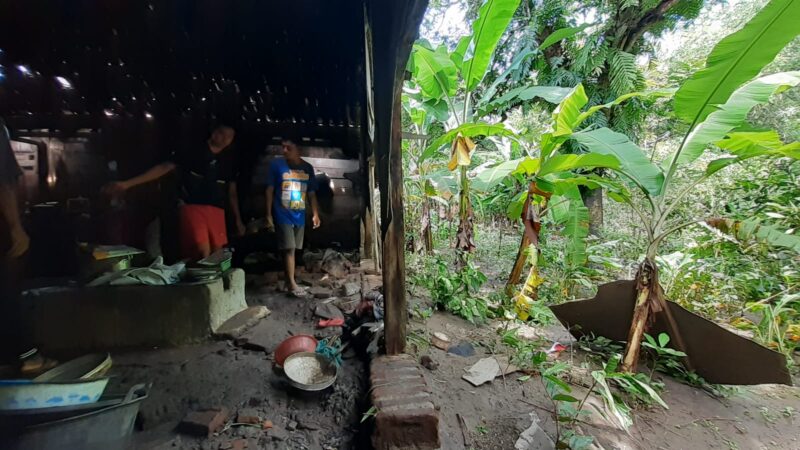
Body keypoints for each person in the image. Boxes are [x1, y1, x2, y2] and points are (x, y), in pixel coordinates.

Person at [104, 124, 245, 260]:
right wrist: (127, 184)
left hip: (216, 209)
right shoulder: (194, 150)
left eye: (230, 136)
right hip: (192, 205)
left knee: (218, 254)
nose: (225, 139)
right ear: (214, 133)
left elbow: (231, 192)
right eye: (222, 134)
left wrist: (237, 220)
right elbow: (165, 167)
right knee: (201, 251)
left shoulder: (228, 159)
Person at [265, 139, 320, 296]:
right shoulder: (276, 165)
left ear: (298, 149)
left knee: (294, 249)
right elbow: (269, 190)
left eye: (289, 147)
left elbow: (311, 193)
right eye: (283, 147)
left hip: (299, 214)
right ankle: (292, 285)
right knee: (288, 248)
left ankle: (288, 280)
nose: (285, 150)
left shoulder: (307, 168)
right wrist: (268, 214)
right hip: (282, 213)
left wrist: (315, 213)